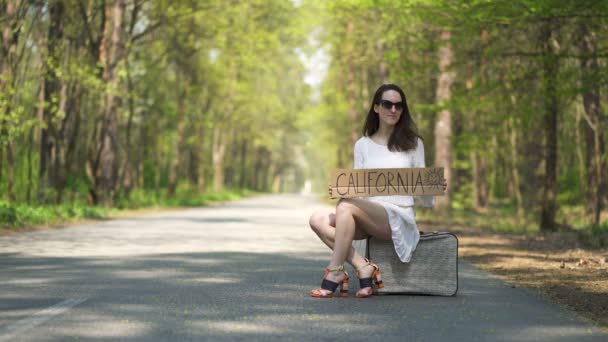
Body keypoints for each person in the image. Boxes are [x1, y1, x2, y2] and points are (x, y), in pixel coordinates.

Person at [309, 83, 447, 298]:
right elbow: (360, 191)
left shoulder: (413, 144)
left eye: (399, 106)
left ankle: (334, 272)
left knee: (345, 206)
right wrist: (343, 189)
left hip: (397, 217)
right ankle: (362, 265)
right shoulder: (362, 145)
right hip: (367, 214)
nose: (393, 110)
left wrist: (432, 187)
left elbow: (424, 198)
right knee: (318, 219)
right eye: (387, 104)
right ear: (376, 107)